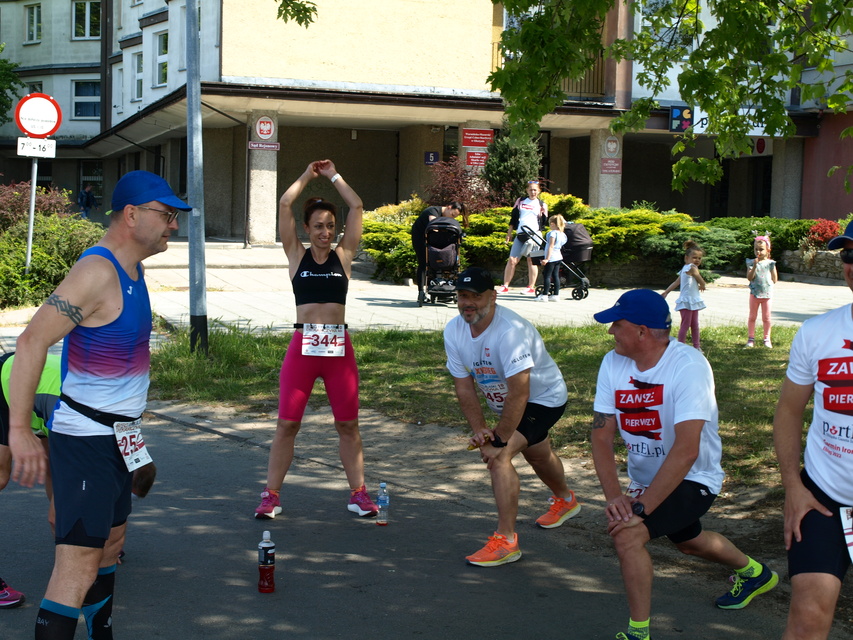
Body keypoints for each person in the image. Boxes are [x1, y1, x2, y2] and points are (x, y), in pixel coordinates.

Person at [8, 169, 190, 640]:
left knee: (111, 547)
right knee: (76, 567)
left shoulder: (134, 270)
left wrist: (135, 442)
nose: (174, 224)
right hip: (85, 439)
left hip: (118, 436)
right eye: (166, 214)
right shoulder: (96, 271)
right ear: (132, 215)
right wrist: (20, 431)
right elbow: (30, 343)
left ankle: (100, 634)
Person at [591, 289, 778, 640]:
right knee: (688, 541)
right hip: (648, 479)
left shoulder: (689, 365)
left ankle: (637, 633)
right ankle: (756, 574)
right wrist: (615, 496)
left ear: (643, 331)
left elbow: (687, 450)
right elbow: (601, 436)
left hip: (694, 476)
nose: (611, 331)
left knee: (629, 536)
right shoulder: (612, 362)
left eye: (617, 324)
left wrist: (640, 508)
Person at [254, 160, 378, 520]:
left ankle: (358, 493)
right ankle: (271, 495)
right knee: (287, 423)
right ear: (306, 228)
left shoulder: (344, 255)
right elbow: (283, 205)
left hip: (338, 349)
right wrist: (308, 176)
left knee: (348, 424)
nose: (325, 232)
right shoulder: (296, 255)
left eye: (330, 226)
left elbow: (356, 206)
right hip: (304, 347)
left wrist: (334, 175)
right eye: (318, 226)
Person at [444, 266, 581, 566]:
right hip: (509, 403)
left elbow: (520, 392)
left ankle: (506, 541)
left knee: (499, 458)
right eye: (462, 296)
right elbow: (464, 386)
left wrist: (499, 440)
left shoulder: (510, 331)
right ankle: (566, 500)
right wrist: (480, 429)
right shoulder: (454, 330)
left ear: (492, 297)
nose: (468, 303)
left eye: (475, 297)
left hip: (543, 399)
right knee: (538, 454)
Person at [773, 221, 853, 639]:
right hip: (822, 498)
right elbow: (788, 412)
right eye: (848, 255)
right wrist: (793, 485)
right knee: (807, 619)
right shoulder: (818, 332)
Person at [410, 202, 466, 304]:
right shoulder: (432, 211)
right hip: (420, 237)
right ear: (449, 207)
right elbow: (434, 226)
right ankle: (421, 292)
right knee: (423, 263)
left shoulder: (444, 215)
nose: (452, 218)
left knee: (438, 260)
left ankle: (439, 291)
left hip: (433, 239)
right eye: (453, 215)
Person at [498, 180, 548, 295]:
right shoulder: (520, 201)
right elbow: (513, 218)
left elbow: (543, 223)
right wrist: (509, 233)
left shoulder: (542, 204)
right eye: (530, 189)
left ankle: (531, 287)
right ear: (527, 190)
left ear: (539, 191)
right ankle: (505, 285)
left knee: (532, 260)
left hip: (535, 236)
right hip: (520, 234)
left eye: (535, 190)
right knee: (512, 260)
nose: (533, 192)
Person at [662, 239, 706, 350]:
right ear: (686, 258)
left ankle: (696, 346)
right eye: (694, 257)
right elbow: (701, 280)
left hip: (693, 301)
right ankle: (681, 346)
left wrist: (667, 291)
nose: (697, 260)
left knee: (694, 324)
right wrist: (702, 284)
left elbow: (677, 282)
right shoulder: (692, 268)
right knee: (687, 325)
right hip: (687, 301)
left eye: (699, 258)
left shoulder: (685, 268)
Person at [745, 235, 777, 348]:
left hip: (767, 294)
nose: (758, 252)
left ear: (768, 250)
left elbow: (775, 279)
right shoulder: (751, 263)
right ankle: (751, 338)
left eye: (761, 249)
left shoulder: (770, 263)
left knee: (766, 317)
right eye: (756, 249)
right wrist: (754, 266)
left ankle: (767, 338)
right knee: (752, 316)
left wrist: (771, 274)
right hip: (754, 294)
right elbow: (749, 277)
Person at [536, 214, 567, 302]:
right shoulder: (562, 234)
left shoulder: (552, 233)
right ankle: (556, 295)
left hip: (552, 257)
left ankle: (545, 295)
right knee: (556, 276)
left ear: (553, 224)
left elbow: (551, 246)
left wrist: (547, 259)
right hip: (558, 257)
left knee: (547, 276)